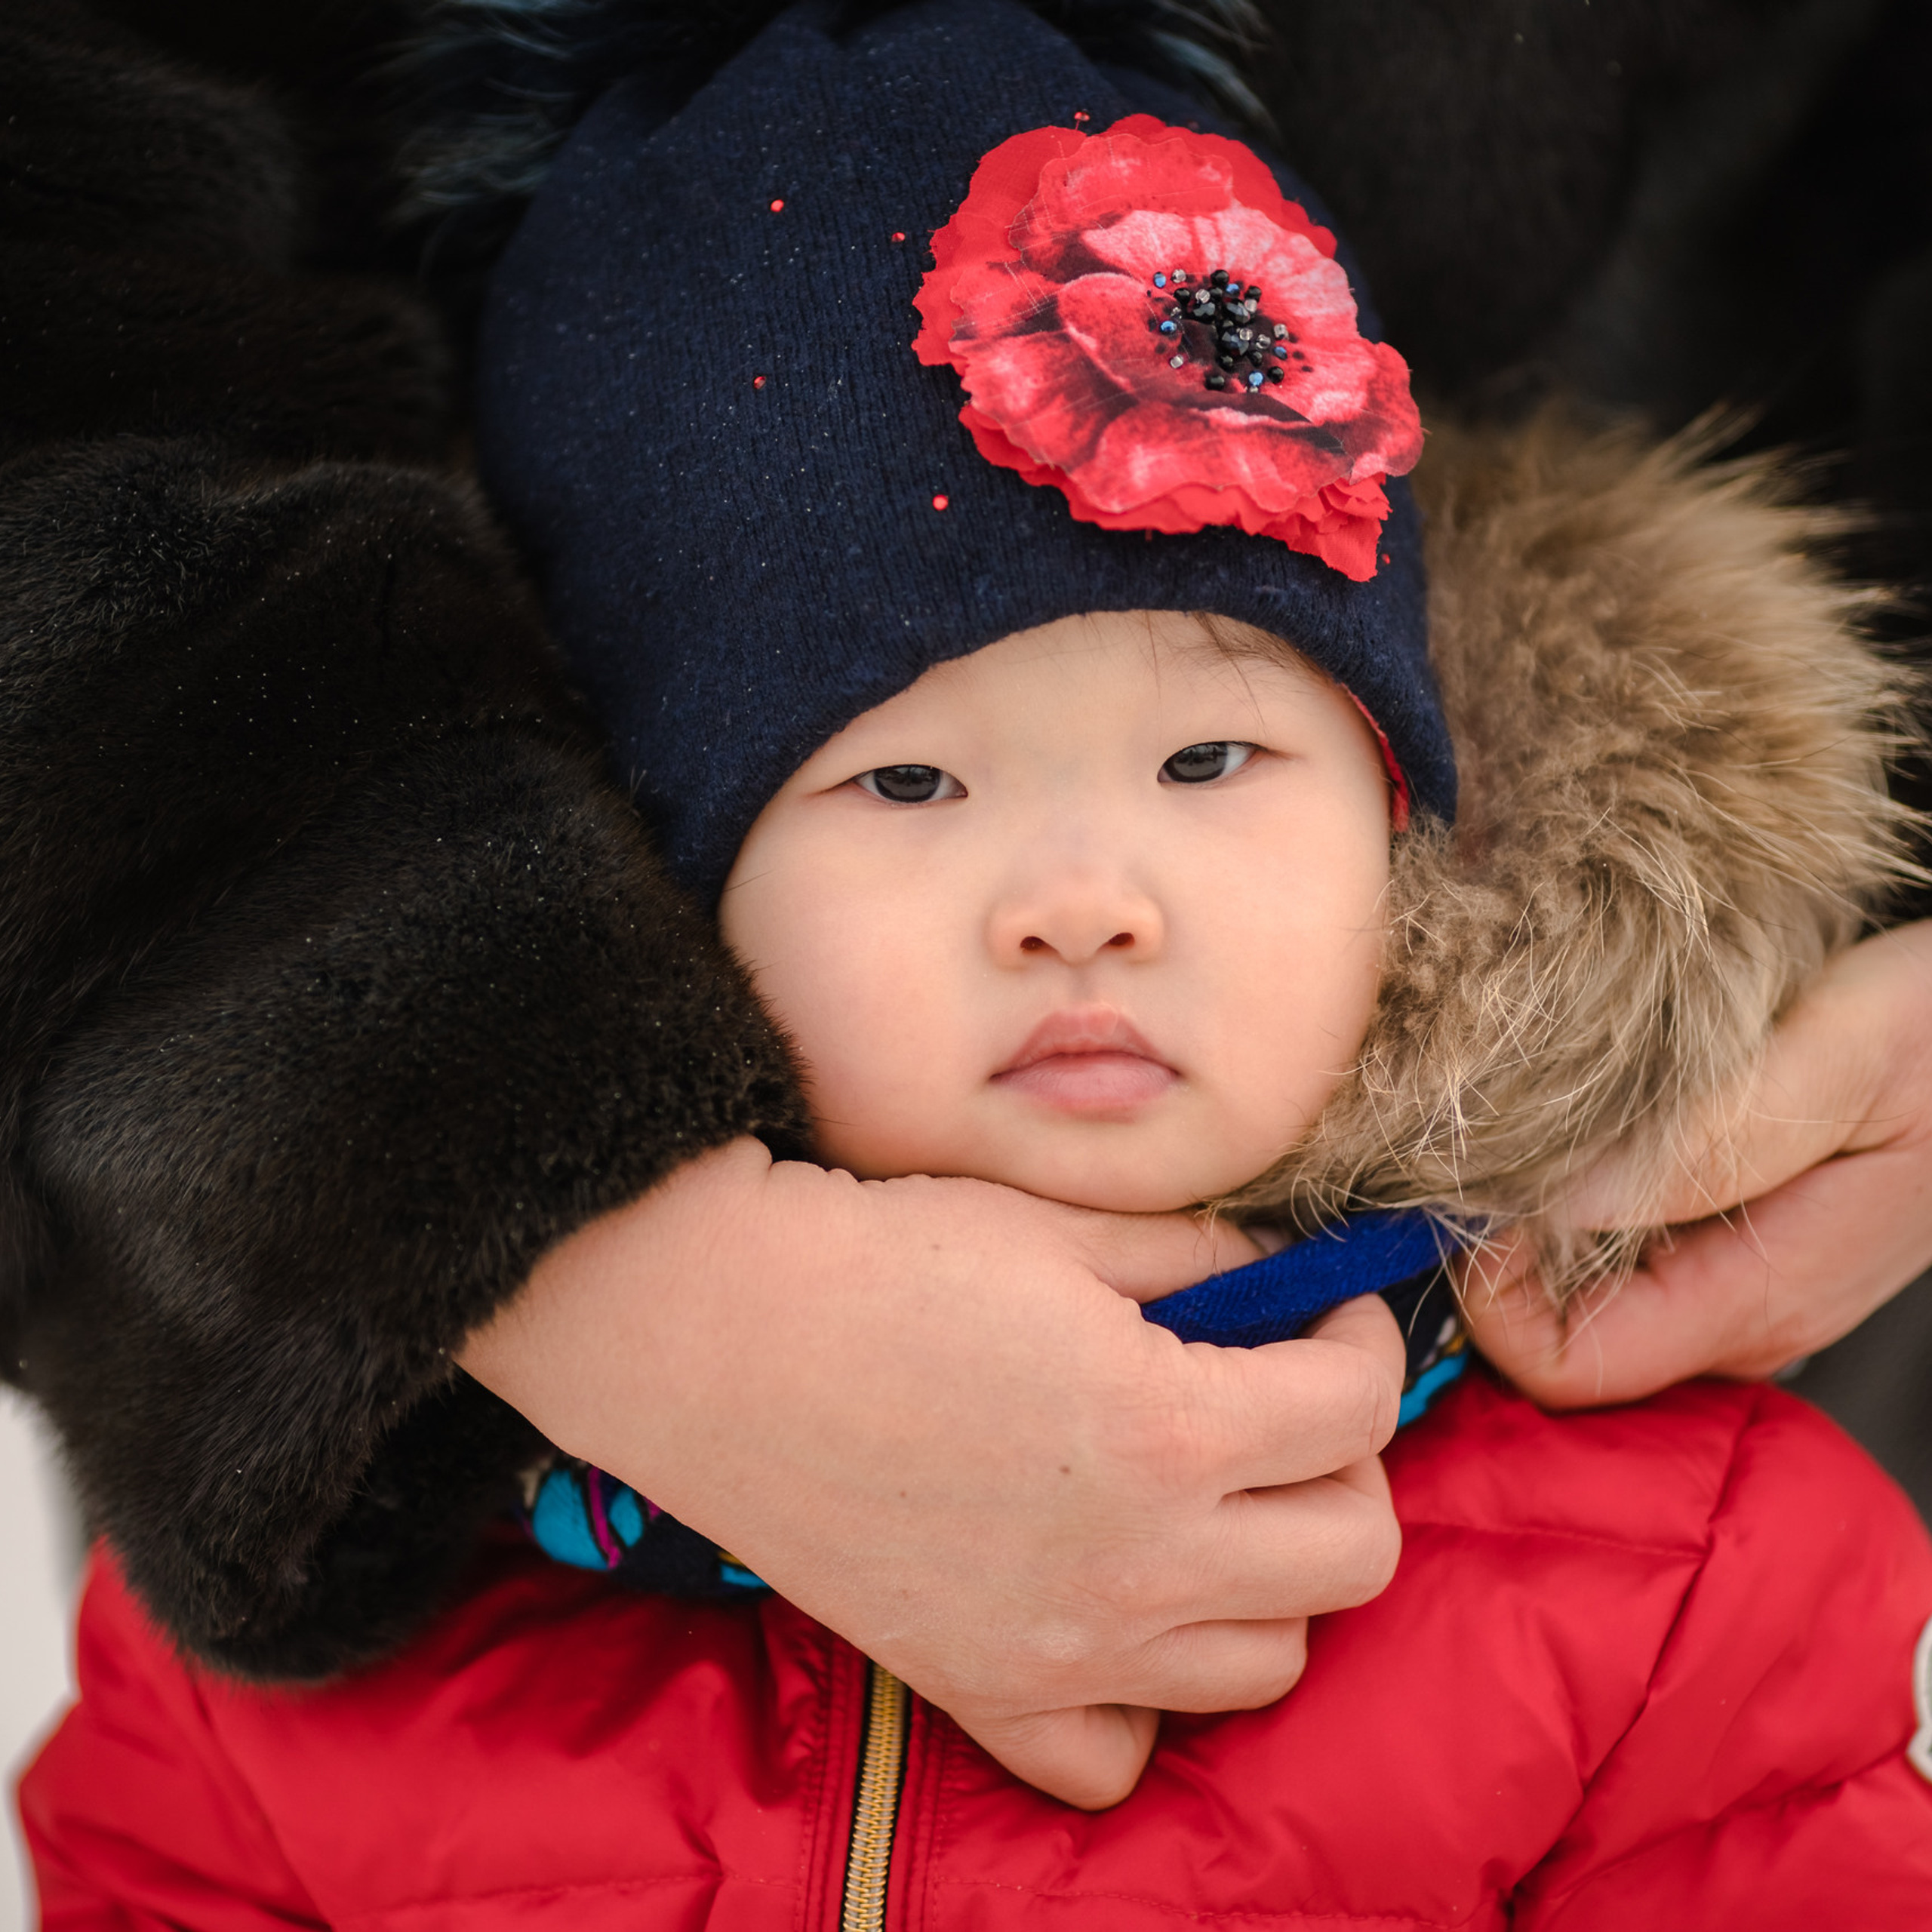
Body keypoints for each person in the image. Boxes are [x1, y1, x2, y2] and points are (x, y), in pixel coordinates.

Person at [23, 6, 1932, 1920]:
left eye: (1207, 759)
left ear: (1412, 818)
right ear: (648, 868)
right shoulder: (305, 1682)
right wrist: (547, 1240)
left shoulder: (1674, 1588)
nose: (1081, 899)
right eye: (905, 779)